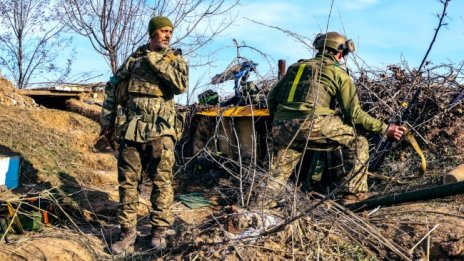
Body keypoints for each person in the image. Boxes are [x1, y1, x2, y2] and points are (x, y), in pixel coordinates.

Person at [265, 31, 405, 203]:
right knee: (358, 142)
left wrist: (281, 120)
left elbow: (271, 99)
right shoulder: (339, 74)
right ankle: (354, 194)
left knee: (276, 173)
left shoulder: (295, 68)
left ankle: (261, 206)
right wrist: (385, 128)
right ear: (340, 52)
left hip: (282, 126)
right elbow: (354, 115)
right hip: (314, 124)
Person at [100, 16, 188, 254]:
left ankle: (158, 231)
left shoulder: (175, 59)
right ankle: (127, 232)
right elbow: (112, 86)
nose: (168, 35)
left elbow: (180, 85)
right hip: (132, 130)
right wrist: (107, 121)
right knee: (128, 183)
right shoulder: (133, 60)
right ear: (152, 33)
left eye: (170, 31)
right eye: (163, 31)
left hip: (161, 132)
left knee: (161, 182)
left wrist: (154, 58)